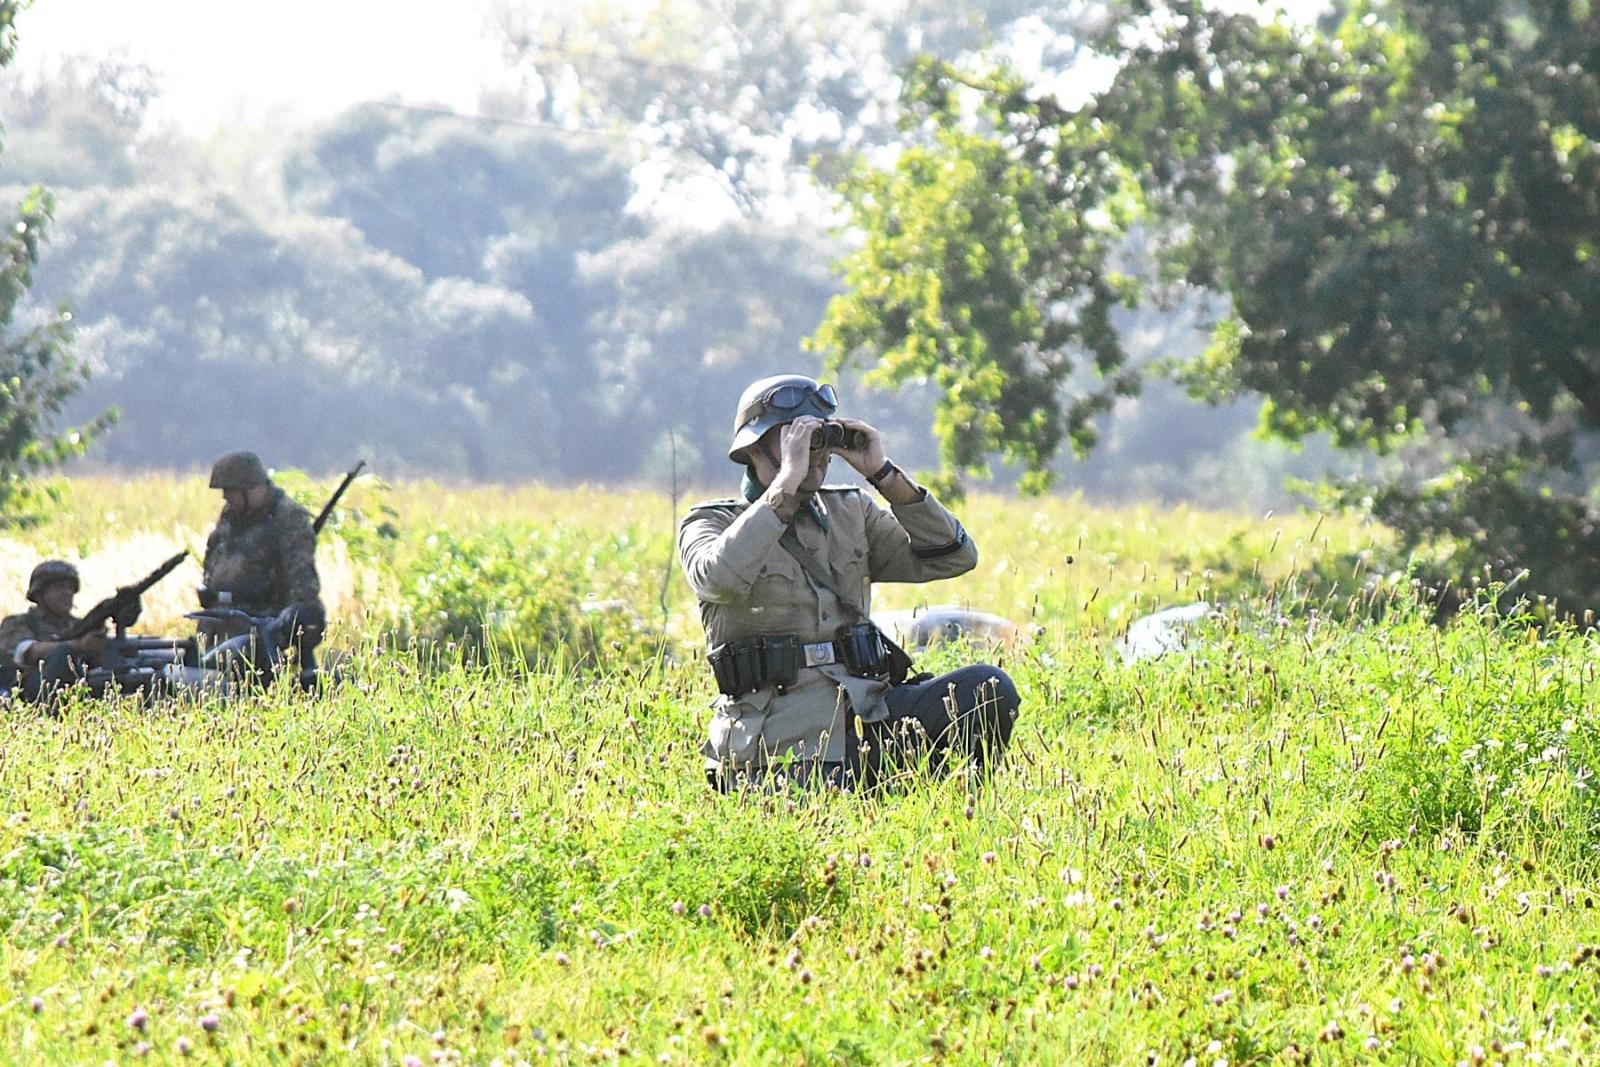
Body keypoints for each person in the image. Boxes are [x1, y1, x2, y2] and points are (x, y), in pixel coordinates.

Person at [677, 373, 1021, 791]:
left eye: (820, 438)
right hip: (777, 744)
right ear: (752, 447)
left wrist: (883, 473)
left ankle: (931, 804)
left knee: (987, 688)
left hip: (868, 719)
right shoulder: (711, 522)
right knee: (824, 803)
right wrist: (785, 483)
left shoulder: (849, 511)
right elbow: (719, 579)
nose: (814, 455)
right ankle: (880, 797)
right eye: (795, 437)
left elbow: (953, 557)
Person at [200, 451, 325, 666]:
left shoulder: (287, 517)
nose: (225, 496)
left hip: (261, 625)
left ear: (251, 488)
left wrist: (299, 613)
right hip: (220, 621)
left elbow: (302, 575)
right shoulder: (232, 515)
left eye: (230, 490)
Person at [0, 560, 132, 702]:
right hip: (29, 693)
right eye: (59, 588)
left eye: (70, 588)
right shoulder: (17, 623)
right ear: (39, 594)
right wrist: (77, 645)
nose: (67, 593)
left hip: (82, 687)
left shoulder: (78, 625)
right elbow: (27, 652)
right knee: (62, 654)